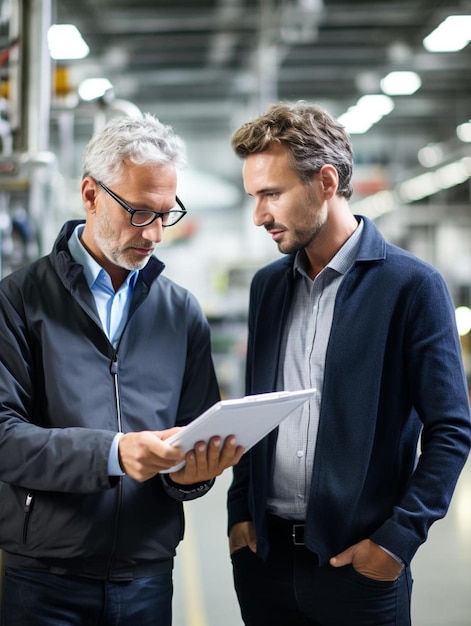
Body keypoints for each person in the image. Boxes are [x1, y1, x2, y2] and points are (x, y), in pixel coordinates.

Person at [227, 101, 471, 626]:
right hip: (265, 563)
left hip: (358, 569)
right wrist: (238, 517)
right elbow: (255, 412)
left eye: (271, 194)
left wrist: (397, 541)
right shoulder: (268, 287)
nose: (259, 215)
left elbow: (451, 429)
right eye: (254, 196)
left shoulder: (411, 286)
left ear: (327, 182)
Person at [0, 113, 244, 626]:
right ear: (90, 195)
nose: (154, 233)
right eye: (137, 212)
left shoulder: (180, 312)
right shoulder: (18, 301)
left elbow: (192, 438)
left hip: (146, 576)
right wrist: (113, 453)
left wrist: (193, 477)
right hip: (44, 578)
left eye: (165, 214)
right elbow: (4, 439)